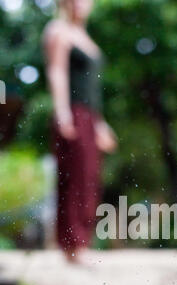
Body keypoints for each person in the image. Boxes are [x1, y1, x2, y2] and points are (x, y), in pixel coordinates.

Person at [43, 0, 117, 263]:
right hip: (72, 112)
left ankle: (81, 242)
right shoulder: (58, 31)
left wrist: (100, 123)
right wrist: (62, 112)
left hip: (90, 116)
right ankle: (71, 246)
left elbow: (92, 90)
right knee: (73, 177)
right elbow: (57, 72)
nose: (80, 3)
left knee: (89, 178)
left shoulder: (86, 37)